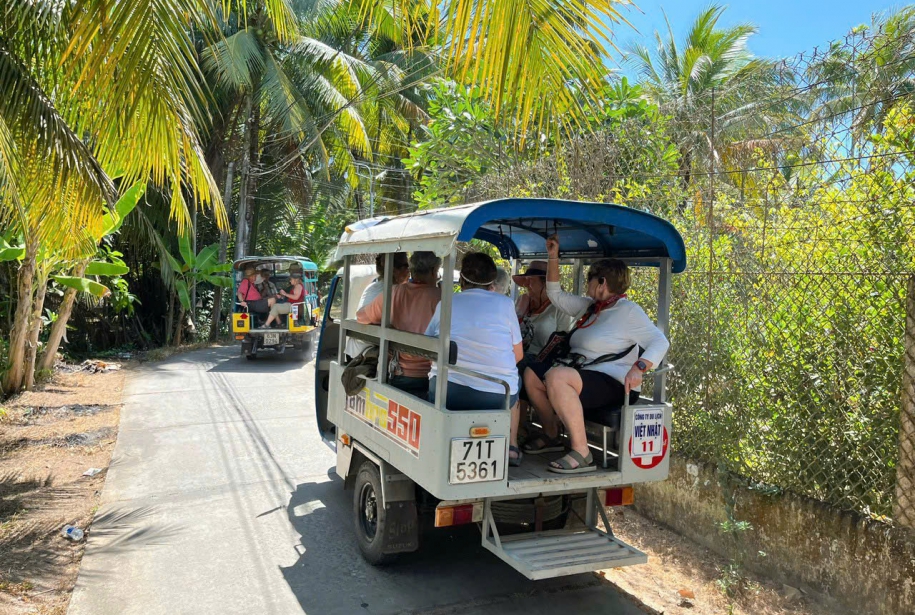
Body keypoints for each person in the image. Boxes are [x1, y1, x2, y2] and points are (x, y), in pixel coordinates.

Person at [522, 235, 669, 474]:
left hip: (614, 382)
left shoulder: (628, 311)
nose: (587, 287)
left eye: (589, 280)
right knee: (532, 374)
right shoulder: (590, 308)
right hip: (583, 375)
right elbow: (556, 295)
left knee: (557, 377)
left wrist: (640, 367)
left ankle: (582, 453)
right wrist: (553, 257)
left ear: (601, 282)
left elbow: (659, 341)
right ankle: (551, 434)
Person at [425, 253, 525, 466]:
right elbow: (518, 355)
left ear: (462, 279)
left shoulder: (447, 304)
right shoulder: (505, 304)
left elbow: (428, 346)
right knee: (517, 382)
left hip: (447, 392)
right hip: (498, 396)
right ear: (492, 281)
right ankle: (511, 447)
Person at [357, 252, 441, 397]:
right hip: (434, 376)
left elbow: (361, 317)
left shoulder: (393, 293)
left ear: (412, 270)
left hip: (399, 373)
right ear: (433, 271)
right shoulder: (442, 298)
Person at [346, 253, 409, 359]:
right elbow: (362, 317)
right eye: (406, 266)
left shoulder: (373, 286)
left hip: (356, 349)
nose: (409, 270)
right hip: (367, 353)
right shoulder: (393, 291)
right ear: (394, 270)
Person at [513, 261, 574, 358]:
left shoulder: (560, 308)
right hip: (515, 356)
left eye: (531, 280)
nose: (526, 284)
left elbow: (562, 344)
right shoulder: (521, 300)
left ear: (545, 283)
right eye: (526, 280)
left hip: (540, 361)